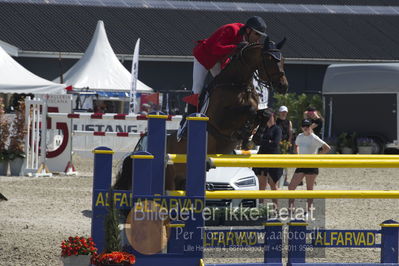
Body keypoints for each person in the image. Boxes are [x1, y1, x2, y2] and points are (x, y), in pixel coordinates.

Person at [178, 16, 267, 140]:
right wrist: (235, 47)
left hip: (219, 61)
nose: (258, 38)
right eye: (257, 34)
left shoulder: (252, 41)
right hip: (204, 56)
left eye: (260, 36)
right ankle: (187, 124)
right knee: (197, 89)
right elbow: (215, 49)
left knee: (227, 87)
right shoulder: (231, 29)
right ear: (248, 30)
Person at [288, 119, 331, 212]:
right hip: (301, 164)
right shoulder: (299, 136)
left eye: (307, 126)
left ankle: (309, 209)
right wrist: (298, 155)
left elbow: (327, 148)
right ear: (301, 127)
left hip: (312, 165)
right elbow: (296, 146)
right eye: (304, 126)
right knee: (291, 186)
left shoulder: (314, 137)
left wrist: (317, 156)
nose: (305, 128)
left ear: (310, 127)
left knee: (309, 189)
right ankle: (291, 207)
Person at [252, 109, 283, 208]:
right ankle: (261, 206)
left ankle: (276, 207)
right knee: (262, 185)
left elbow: (275, 143)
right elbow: (257, 141)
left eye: (269, 116)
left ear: (273, 116)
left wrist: (264, 141)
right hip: (262, 156)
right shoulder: (264, 128)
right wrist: (267, 141)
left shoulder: (277, 129)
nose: (267, 119)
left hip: (273, 158)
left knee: (273, 184)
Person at [276, 105, 293, 186]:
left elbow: (290, 133)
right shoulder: (276, 121)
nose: (284, 113)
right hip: (277, 144)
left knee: (285, 163)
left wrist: (289, 143)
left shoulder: (289, 122)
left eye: (285, 112)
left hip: (285, 144)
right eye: (282, 112)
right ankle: (276, 179)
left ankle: (285, 179)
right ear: (279, 112)